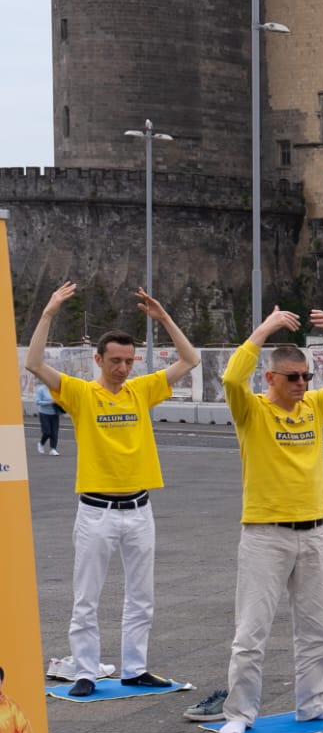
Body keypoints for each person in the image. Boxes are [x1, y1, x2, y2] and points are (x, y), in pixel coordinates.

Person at [24, 282, 200, 695]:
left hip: (139, 509)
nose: (122, 368)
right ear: (98, 360)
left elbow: (190, 359)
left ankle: (135, 667)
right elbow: (34, 363)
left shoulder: (142, 390)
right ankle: (86, 671)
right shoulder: (81, 393)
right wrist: (48, 312)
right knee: (86, 597)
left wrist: (164, 318)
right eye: (115, 361)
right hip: (96, 511)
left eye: (128, 361)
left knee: (141, 596)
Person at [211, 306, 323, 733]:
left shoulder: (314, 407)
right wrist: (265, 329)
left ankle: (313, 702)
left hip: (314, 531)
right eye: (292, 378)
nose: (302, 384)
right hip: (265, 535)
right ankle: (239, 712)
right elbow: (231, 379)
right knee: (252, 632)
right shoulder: (251, 411)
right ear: (270, 378)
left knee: (317, 629)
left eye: (306, 376)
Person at [33, 380, 59, 456]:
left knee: (54, 432)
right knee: (47, 432)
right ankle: (41, 443)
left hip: (55, 413)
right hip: (44, 413)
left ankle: (53, 449)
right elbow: (37, 401)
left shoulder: (55, 389)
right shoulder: (41, 389)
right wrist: (49, 402)